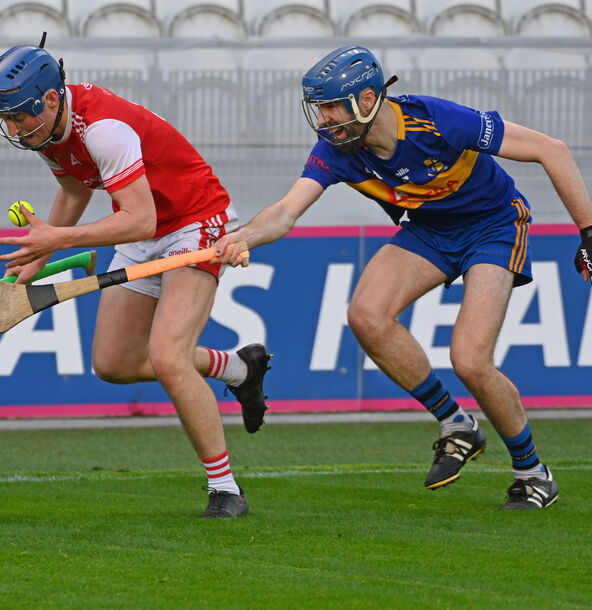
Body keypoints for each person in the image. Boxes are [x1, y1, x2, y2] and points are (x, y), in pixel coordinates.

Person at [214, 45, 592, 510]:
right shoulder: (337, 150)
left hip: (493, 226)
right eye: (321, 108)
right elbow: (286, 212)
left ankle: (533, 472)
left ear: (369, 99)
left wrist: (588, 230)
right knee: (366, 316)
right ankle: (456, 425)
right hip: (430, 231)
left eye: (333, 106)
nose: (326, 119)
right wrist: (243, 237)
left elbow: (549, 150)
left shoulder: (437, 119)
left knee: (470, 360)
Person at [0, 36, 272, 519]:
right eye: (5, 117)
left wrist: (57, 241)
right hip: (144, 225)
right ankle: (238, 369)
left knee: (168, 356)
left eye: (19, 115)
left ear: (51, 98)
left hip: (194, 220)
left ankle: (225, 489)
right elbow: (75, 187)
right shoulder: (46, 130)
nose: (13, 127)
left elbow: (140, 220)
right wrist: (41, 249)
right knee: (114, 363)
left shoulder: (103, 129)